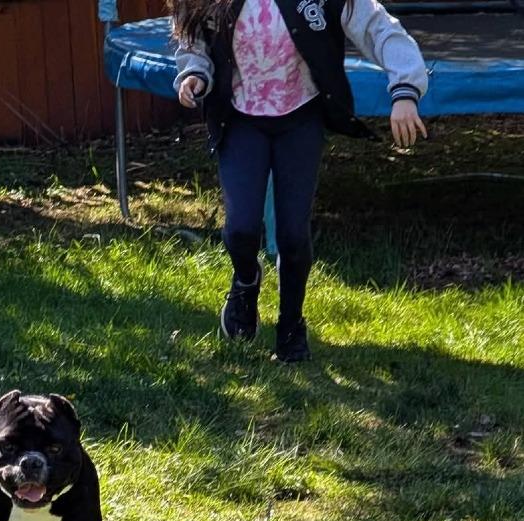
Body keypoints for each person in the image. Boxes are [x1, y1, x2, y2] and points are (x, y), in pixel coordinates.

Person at [173, 0, 427, 362]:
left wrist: (405, 89)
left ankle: (291, 326)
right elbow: (193, 38)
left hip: (300, 118)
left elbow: (381, 30)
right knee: (240, 229)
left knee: (293, 234)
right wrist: (194, 73)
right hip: (241, 118)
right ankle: (246, 281)